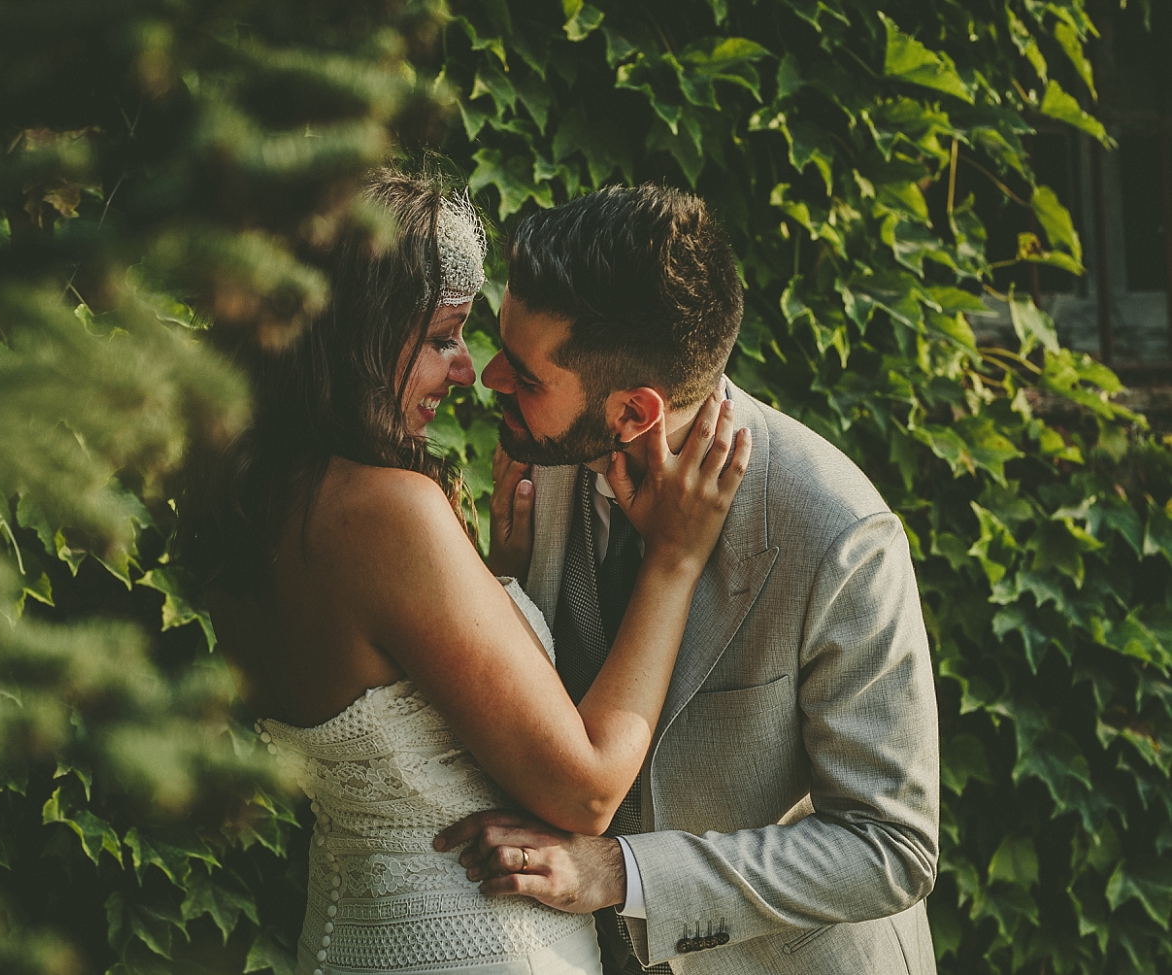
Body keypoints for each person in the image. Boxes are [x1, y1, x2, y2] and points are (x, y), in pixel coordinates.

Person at [191, 169, 751, 975]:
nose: (467, 371)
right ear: (359, 337)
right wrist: (675, 556)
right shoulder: (389, 513)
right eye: (442, 336)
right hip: (474, 947)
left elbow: (388, 691)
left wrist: (493, 585)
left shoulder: (250, 501)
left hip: (345, 939)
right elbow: (587, 790)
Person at [436, 184, 940, 974]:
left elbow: (892, 846)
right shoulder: (541, 464)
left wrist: (620, 872)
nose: (491, 377)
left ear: (634, 411)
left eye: (528, 376)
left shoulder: (841, 534)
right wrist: (503, 579)